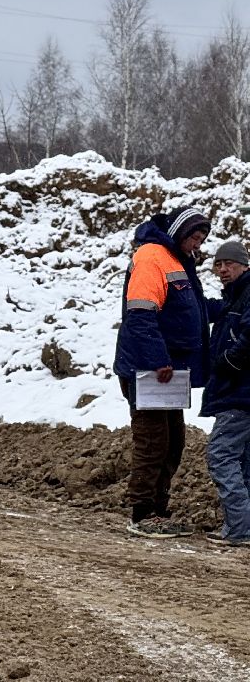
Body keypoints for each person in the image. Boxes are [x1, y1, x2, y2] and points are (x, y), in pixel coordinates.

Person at [113, 204, 212, 538]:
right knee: (153, 442)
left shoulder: (176, 261)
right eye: (195, 237)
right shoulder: (152, 257)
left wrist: (232, 304)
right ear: (181, 233)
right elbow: (140, 314)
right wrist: (158, 359)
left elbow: (190, 309)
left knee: (173, 442)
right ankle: (143, 514)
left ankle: (159, 509)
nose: (198, 245)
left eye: (201, 239)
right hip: (151, 371)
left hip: (168, 372)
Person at [202, 239, 250, 546]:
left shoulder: (247, 294)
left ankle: (239, 530)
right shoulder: (234, 297)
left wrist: (226, 362)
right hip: (241, 392)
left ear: (244, 265)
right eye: (218, 264)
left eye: (229, 264)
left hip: (240, 393)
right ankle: (244, 529)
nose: (222, 269)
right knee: (245, 462)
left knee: (220, 455)